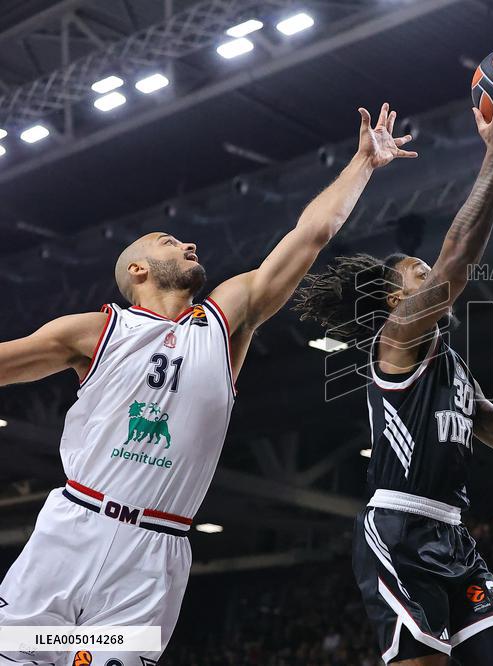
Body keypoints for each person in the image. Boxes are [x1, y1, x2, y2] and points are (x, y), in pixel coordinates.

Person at [0, 102, 415, 666]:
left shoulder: (225, 323)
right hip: (73, 528)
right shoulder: (98, 329)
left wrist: (364, 164)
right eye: (169, 242)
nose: (188, 245)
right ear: (137, 272)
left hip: (154, 555)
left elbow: (311, 235)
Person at [294, 83, 493, 666]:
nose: (428, 277)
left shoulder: (449, 365)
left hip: (454, 536)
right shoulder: (396, 339)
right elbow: (456, 258)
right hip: (398, 531)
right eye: (416, 273)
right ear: (391, 300)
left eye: (426, 270)